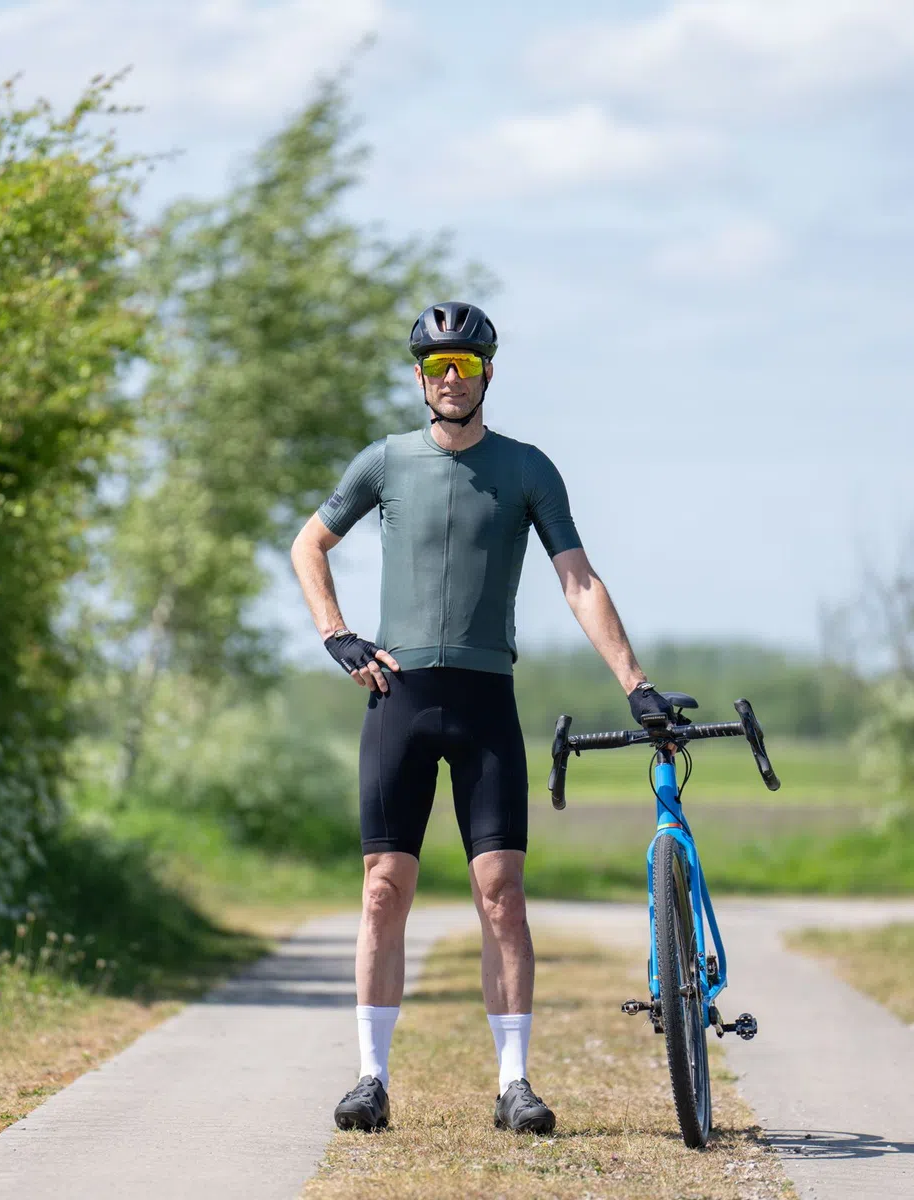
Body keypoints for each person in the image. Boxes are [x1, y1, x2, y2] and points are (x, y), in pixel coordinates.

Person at [289, 300, 676, 1135]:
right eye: (437, 367)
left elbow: (579, 577)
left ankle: (514, 1084)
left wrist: (634, 682)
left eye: (465, 364)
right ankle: (370, 1078)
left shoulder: (527, 469)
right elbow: (308, 545)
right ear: (420, 378)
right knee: (384, 889)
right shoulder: (385, 463)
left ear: (489, 372)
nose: (452, 379)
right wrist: (338, 635)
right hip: (400, 698)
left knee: (501, 893)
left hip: (483, 699)